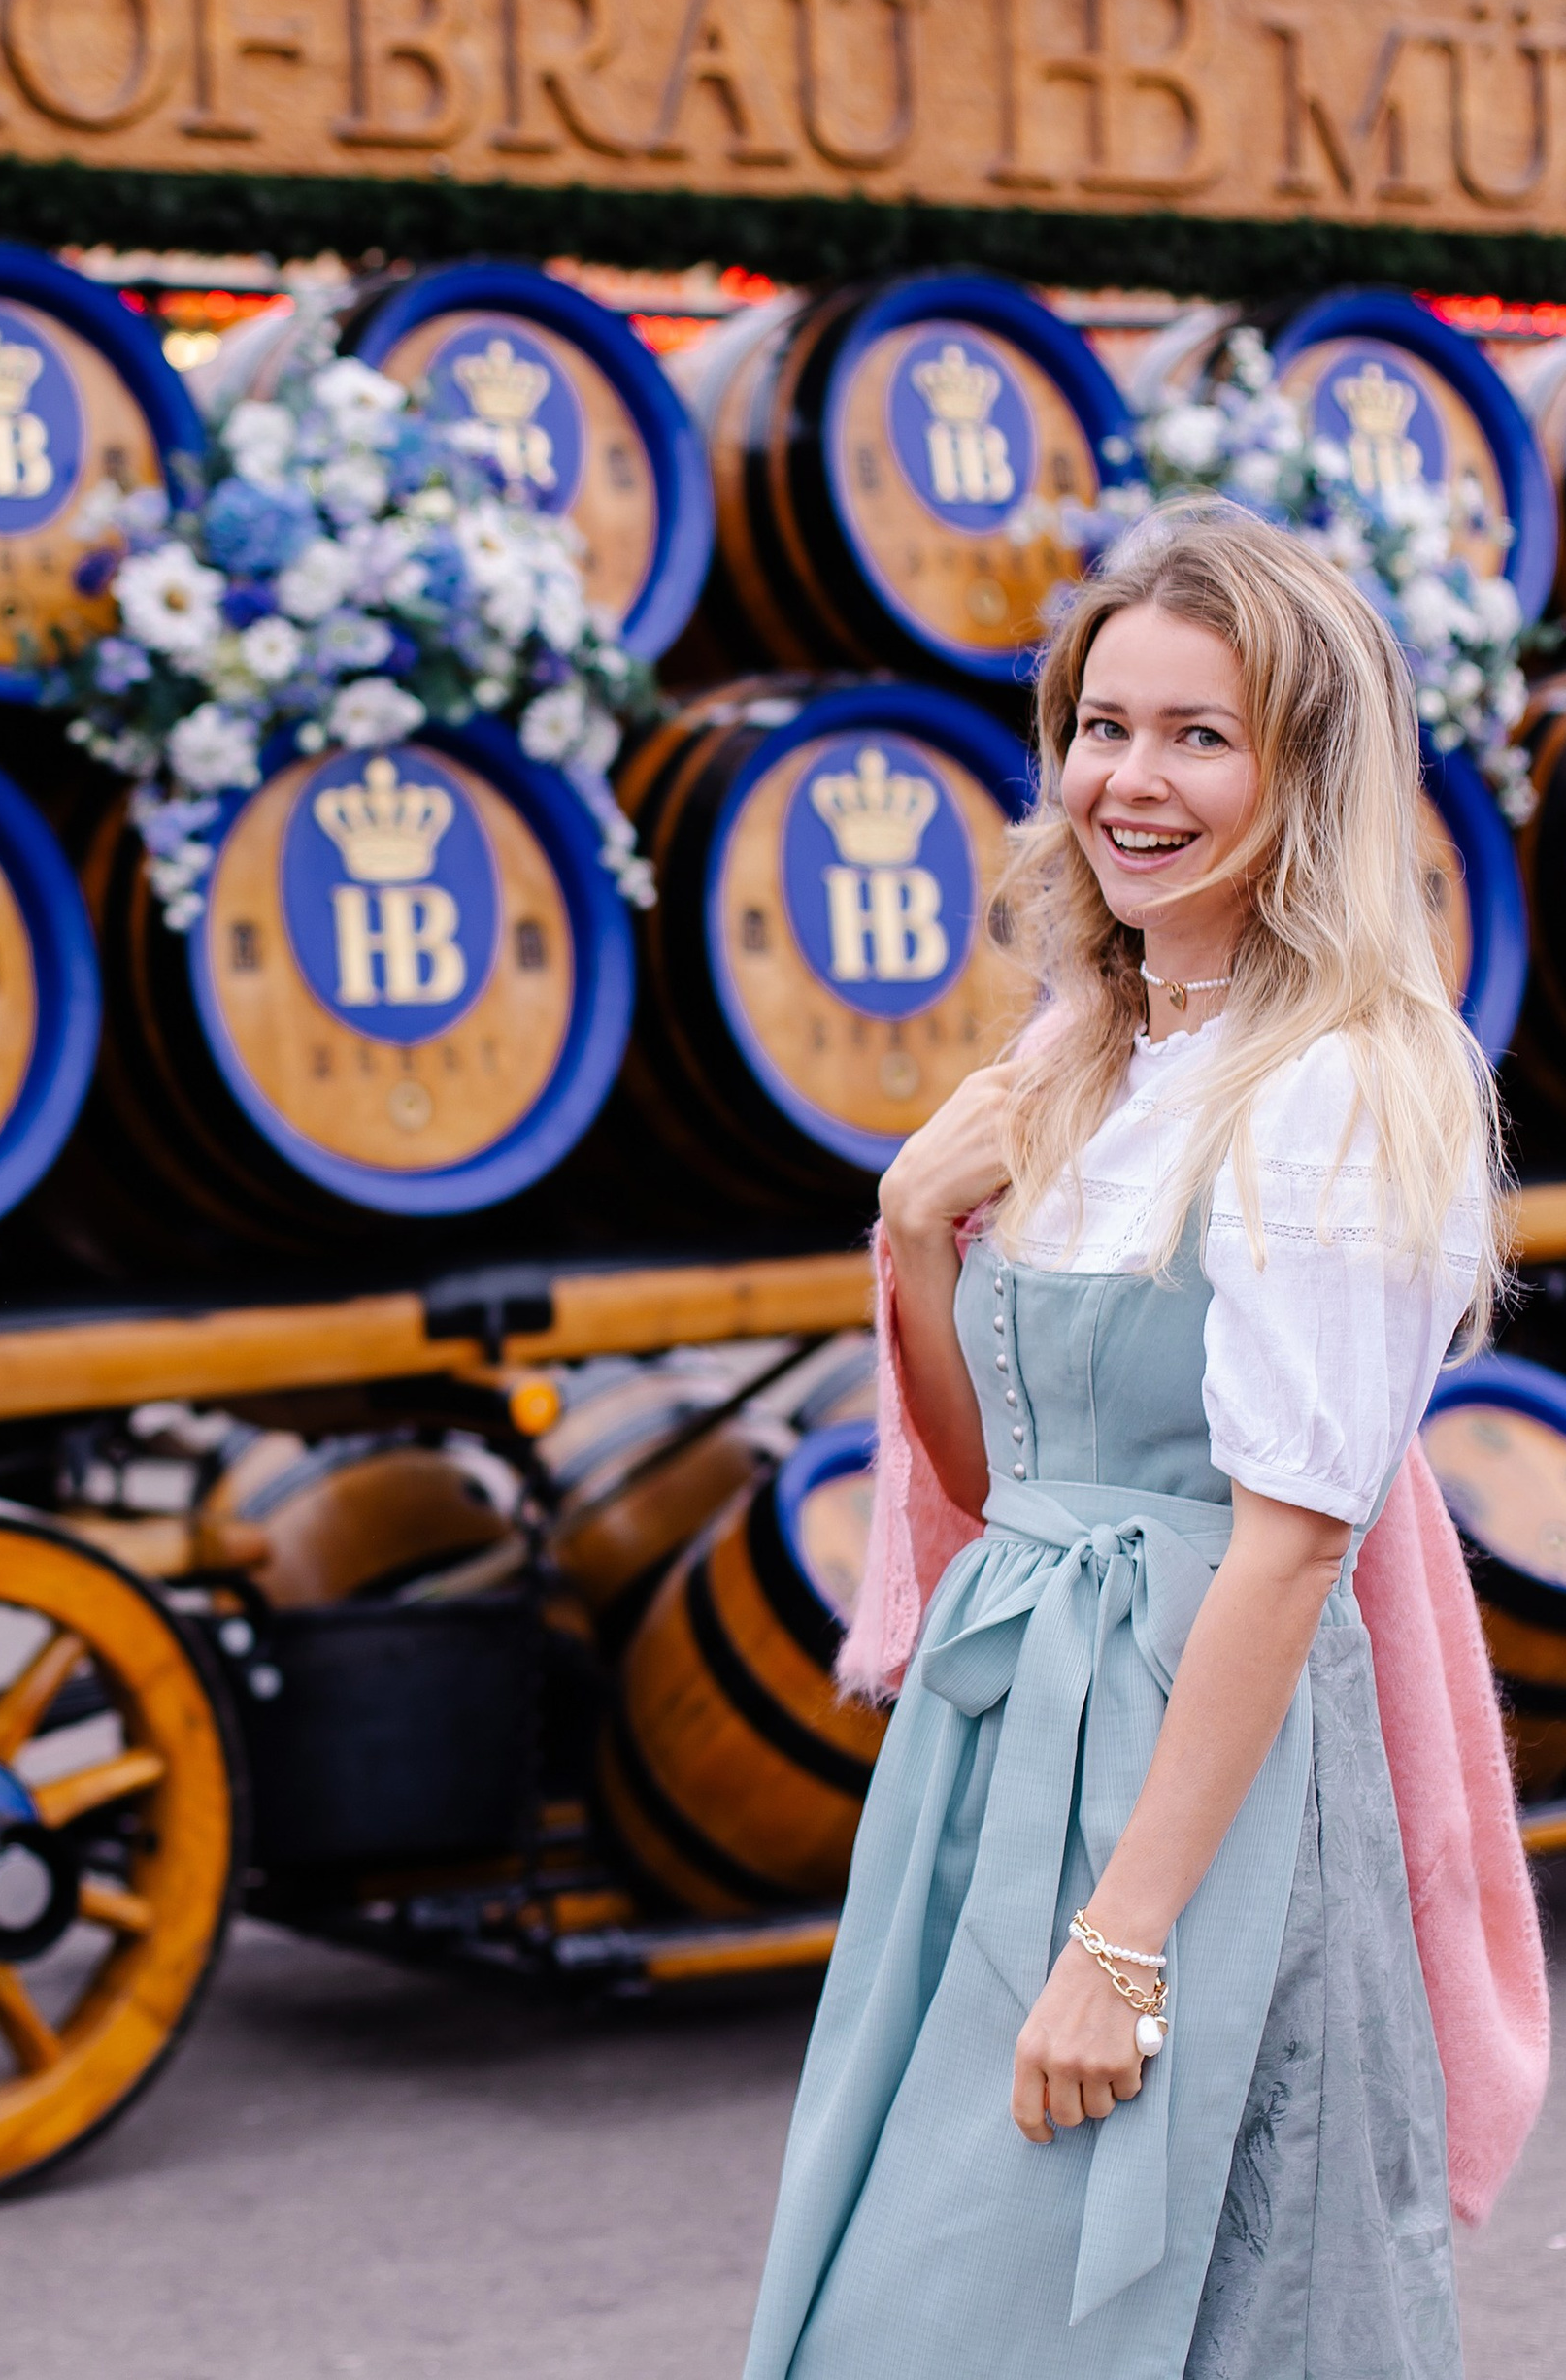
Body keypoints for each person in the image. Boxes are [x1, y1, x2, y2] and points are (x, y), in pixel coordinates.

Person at [742, 504, 1530, 2379]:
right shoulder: (1082, 1051)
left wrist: (1127, 1937)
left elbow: (1287, 1548)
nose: (1131, 780)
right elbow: (997, 1474)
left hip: (1194, 1763)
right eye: (1104, 727)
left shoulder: (1337, 1078)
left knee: (1126, 2300)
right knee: (909, 2298)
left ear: (1307, 772)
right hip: (1005, 1740)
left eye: (1201, 734)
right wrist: (919, 1241)